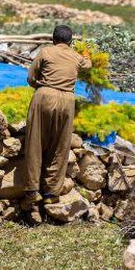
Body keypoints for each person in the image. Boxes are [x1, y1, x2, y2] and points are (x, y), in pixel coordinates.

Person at [23, 24, 91, 204]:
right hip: (67, 101)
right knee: (60, 145)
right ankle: (51, 194)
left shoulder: (45, 52)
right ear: (70, 42)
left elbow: (30, 78)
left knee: (35, 142)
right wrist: (85, 53)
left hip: (44, 96)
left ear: (53, 39)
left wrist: (40, 86)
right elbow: (88, 64)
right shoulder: (76, 56)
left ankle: (31, 190)